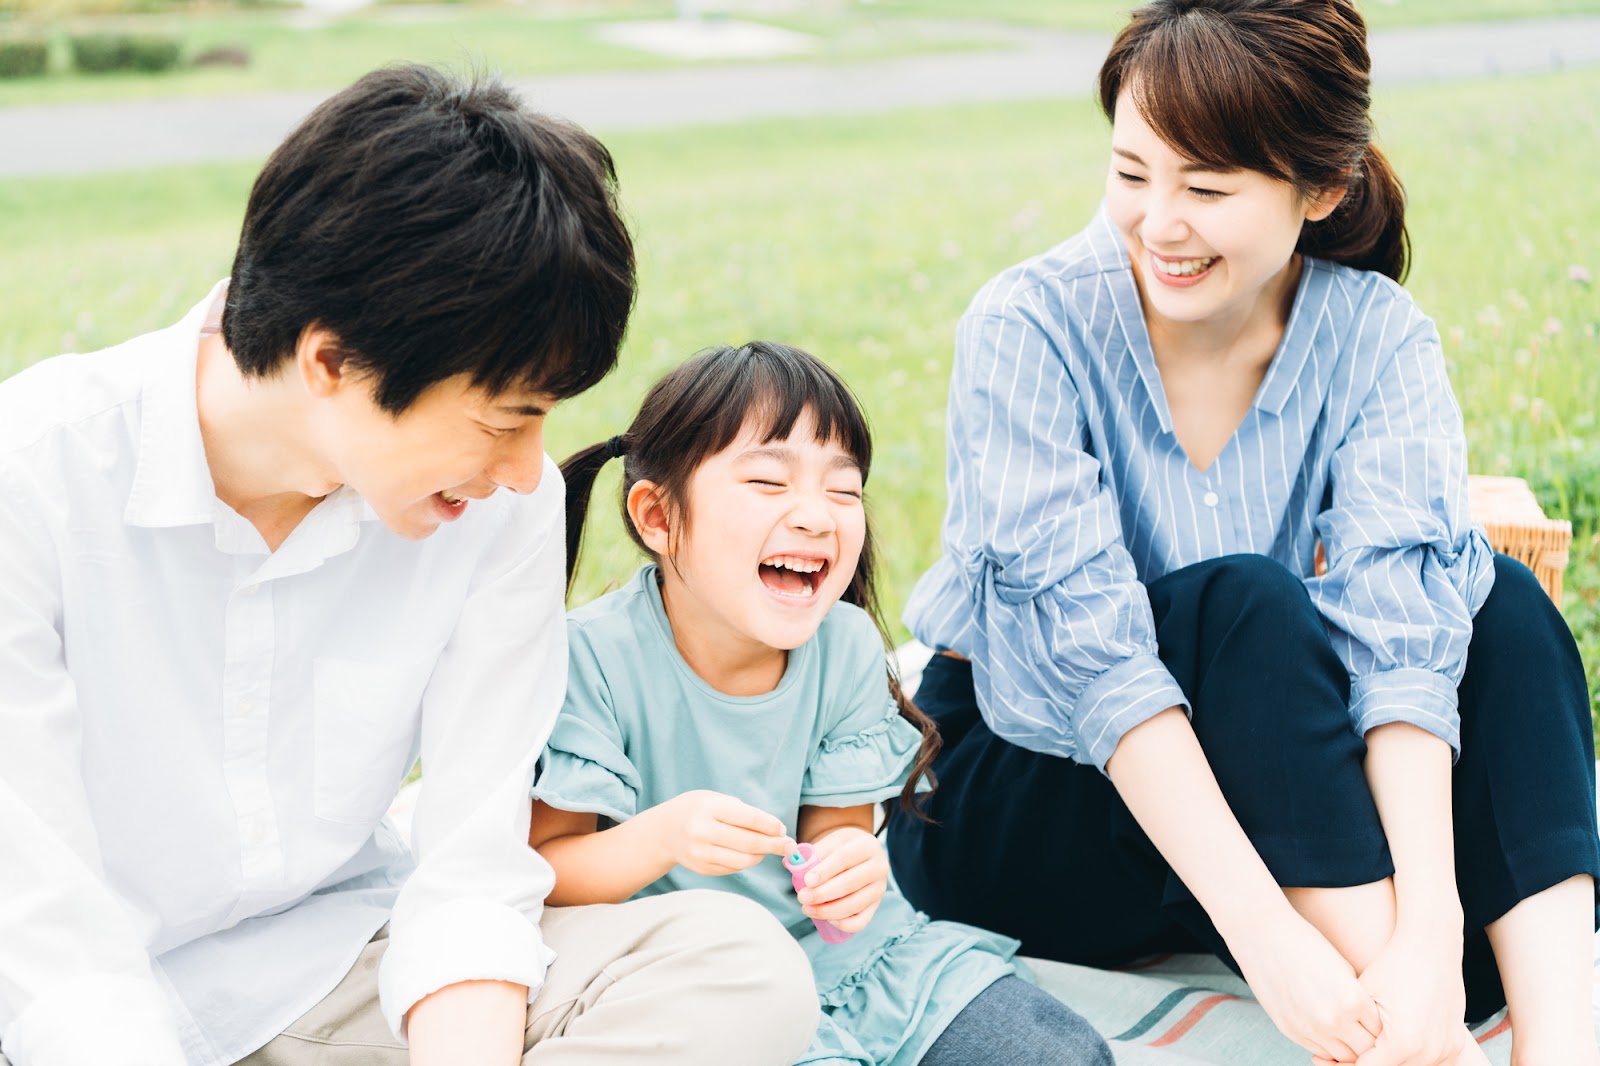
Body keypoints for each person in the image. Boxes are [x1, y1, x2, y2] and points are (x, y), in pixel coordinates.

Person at [0, 66, 817, 1066]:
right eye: (503, 420)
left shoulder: (492, 507)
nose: (528, 473)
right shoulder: (33, 480)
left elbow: (471, 868)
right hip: (62, 1009)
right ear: (331, 362)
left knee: (735, 969)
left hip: (334, 967)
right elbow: (47, 942)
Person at [885, 2, 1600, 1065]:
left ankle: (1557, 1036)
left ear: (1320, 189)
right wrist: (1275, 945)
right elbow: (1103, 674)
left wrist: (1428, 923)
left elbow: (1403, 637)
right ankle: (1417, 1041)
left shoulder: (1376, 336)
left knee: (1497, 601)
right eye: (1131, 173)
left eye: (1205, 188)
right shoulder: (1028, 324)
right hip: (1026, 788)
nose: (1156, 220)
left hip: (1255, 779)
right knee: (1240, 602)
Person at [526, 341, 1115, 1066]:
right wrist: (667, 837)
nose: (816, 517)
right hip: (697, 981)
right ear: (657, 517)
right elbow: (546, 870)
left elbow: (835, 834)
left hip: (863, 965)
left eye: (843, 490)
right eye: (769, 483)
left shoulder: (845, 643)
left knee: (1064, 1057)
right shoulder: (591, 659)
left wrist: (850, 864)